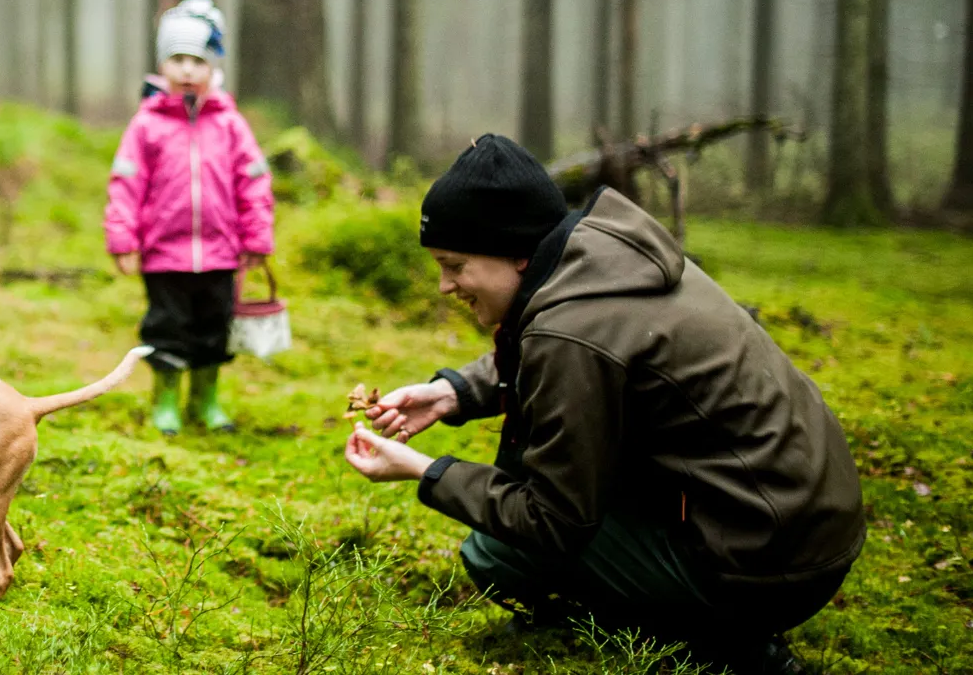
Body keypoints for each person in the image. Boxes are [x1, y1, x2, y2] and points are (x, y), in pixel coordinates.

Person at [342, 134, 864, 675]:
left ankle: (729, 646)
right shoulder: (608, 260)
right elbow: (584, 360)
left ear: (516, 252)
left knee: (500, 553)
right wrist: (454, 393)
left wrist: (424, 471)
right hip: (804, 531)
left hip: (766, 565)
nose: (445, 286)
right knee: (524, 519)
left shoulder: (571, 330)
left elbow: (551, 520)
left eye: (455, 264)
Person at [105, 0, 275, 435]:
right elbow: (126, 182)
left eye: (197, 61)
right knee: (166, 328)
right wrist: (123, 239)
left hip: (220, 254)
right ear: (162, 65)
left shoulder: (230, 123)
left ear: (213, 68)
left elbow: (253, 181)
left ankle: (206, 399)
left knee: (212, 330)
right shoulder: (147, 124)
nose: (186, 71)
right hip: (164, 255)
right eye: (177, 59)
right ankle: (165, 401)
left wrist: (257, 239)